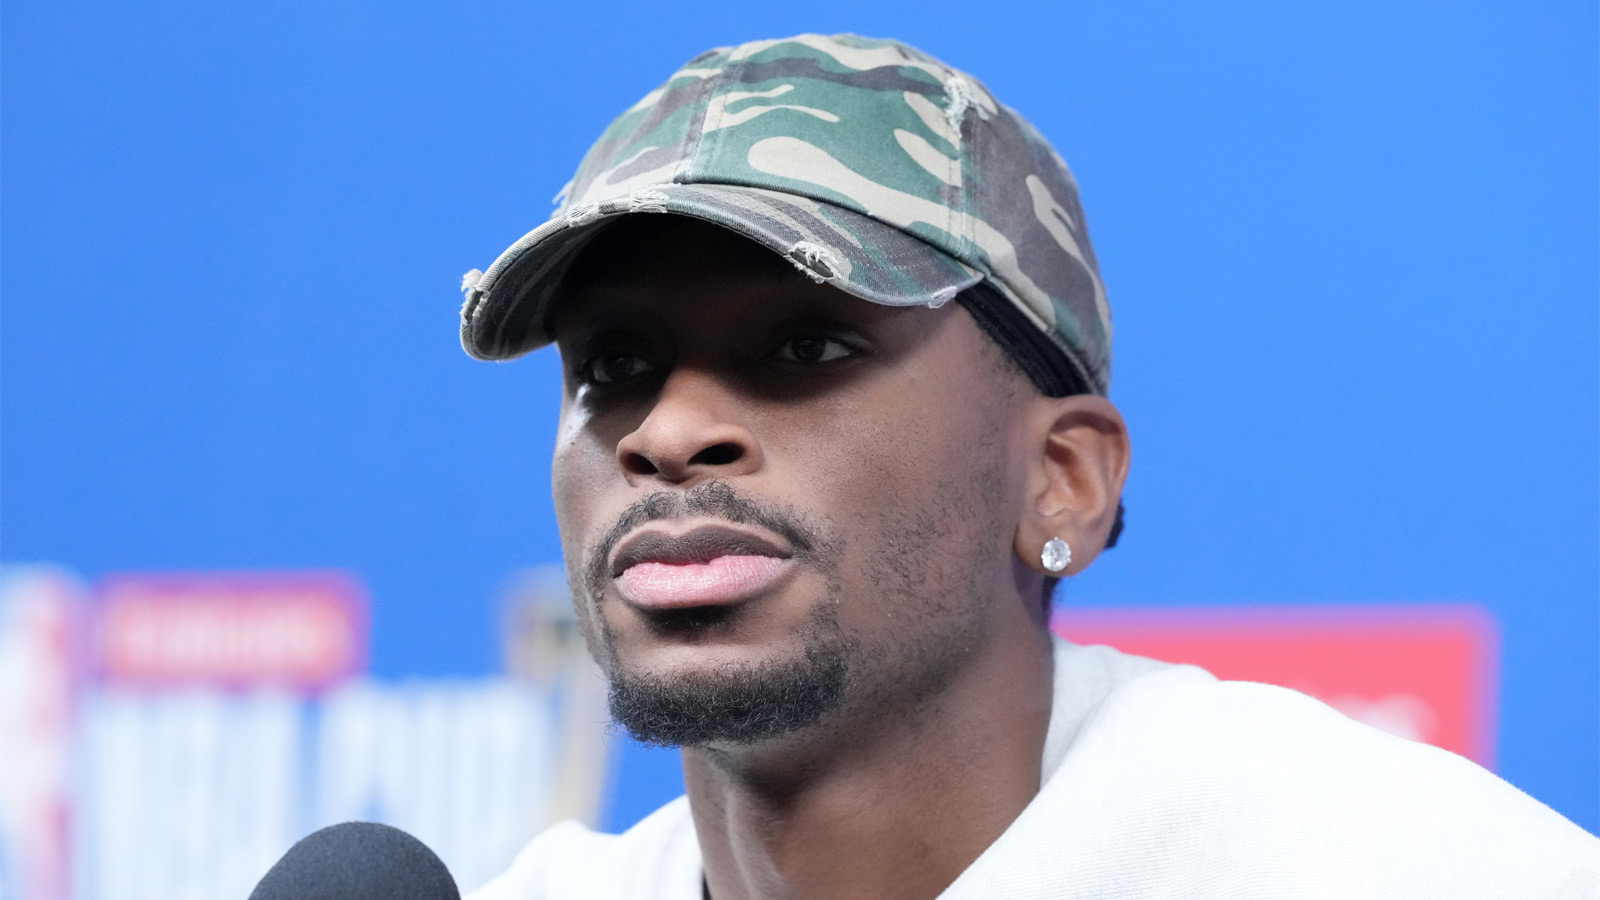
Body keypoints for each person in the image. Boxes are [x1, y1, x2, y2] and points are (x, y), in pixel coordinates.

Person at [459, 33, 1598, 900]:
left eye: (807, 346)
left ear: (1066, 480)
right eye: (613, 366)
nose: (665, 431)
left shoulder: (1398, 872)